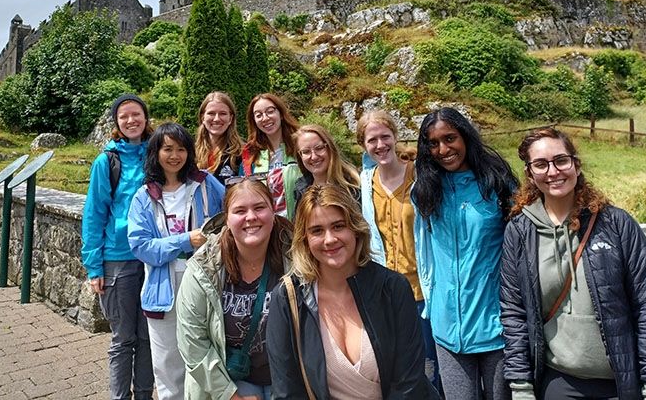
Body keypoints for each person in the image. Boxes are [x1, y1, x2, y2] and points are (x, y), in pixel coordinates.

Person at [500, 127, 646, 400]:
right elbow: (514, 313)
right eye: (540, 164)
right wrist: (521, 387)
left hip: (621, 381)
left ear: (576, 164)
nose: (553, 171)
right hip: (559, 382)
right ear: (530, 174)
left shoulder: (616, 224)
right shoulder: (520, 232)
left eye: (561, 160)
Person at [267, 184, 435, 399]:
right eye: (317, 230)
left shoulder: (393, 288)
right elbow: (287, 389)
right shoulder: (287, 298)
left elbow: (408, 382)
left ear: (355, 228)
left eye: (338, 226)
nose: (330, 239)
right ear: (305, 239)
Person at [413, 107, 518, 400]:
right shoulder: (424, 189)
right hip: (447, 327)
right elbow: (424, 252)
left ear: (465, 137)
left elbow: (519, 249)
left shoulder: (497, 183)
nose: (443, 150)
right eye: (433, 143)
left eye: (450, 139)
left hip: (495, 324)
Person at [127, 122, 225, 400]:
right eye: (167, 149)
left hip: (206, 281)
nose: (174, 155)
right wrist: (185, 240)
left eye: (181, 149)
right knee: (168, 364)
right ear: (155, 152)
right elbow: (141, 246)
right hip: (163, 287)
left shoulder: (206, 184)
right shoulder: (144, 196)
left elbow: (232, 213)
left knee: (208, 356)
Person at [176, 179, 293, 400]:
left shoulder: (297, 258)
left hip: (287, 379)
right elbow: (192, 342)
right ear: (227, 219)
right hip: (228, 381)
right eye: (240, 210)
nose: (251, 217)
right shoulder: (203, 268)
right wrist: (231, 397)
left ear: (273, 211)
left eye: (259, 207)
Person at [356, 109, 441, 393]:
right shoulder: (365, 183)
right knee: (397, 369)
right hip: (386, 294)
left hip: (424, 292)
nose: (380, 145)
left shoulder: (420, 176)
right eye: (372, 140)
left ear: (395, 137)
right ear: (363, 146)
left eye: (385, 137)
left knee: (430, 368)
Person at [81, 93, 155, 400]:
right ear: (116, 122)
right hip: (117, 258)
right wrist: (93, 266)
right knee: (123, 339)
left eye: (136, 114)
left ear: (145, 117)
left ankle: (145, 394)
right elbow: (94, 212)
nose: (131, 120)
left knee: (149, 337)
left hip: (153, 257)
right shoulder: (106, 161)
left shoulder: (157, 153)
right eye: (124, 116)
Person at [242, 93, 301, 218]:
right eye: (259, 115)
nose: (265, 118)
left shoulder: (300, 145)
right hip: (267, 228)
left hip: (299, 225)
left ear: (281, 113)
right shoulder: (252, 155)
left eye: (270, 111)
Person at [292, 124, 360, 205]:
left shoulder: (355, 187)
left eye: (319, 148)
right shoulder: (301, 189)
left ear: (330, 148)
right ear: (300, 156)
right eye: (306, 152)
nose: (313, 157)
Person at [195, 92, 243, 185]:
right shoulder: (190, 153)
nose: (216, 119)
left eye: (223, 113)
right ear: (202, 118)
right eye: (211, 113)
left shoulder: (242, 153)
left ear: (230, 119)